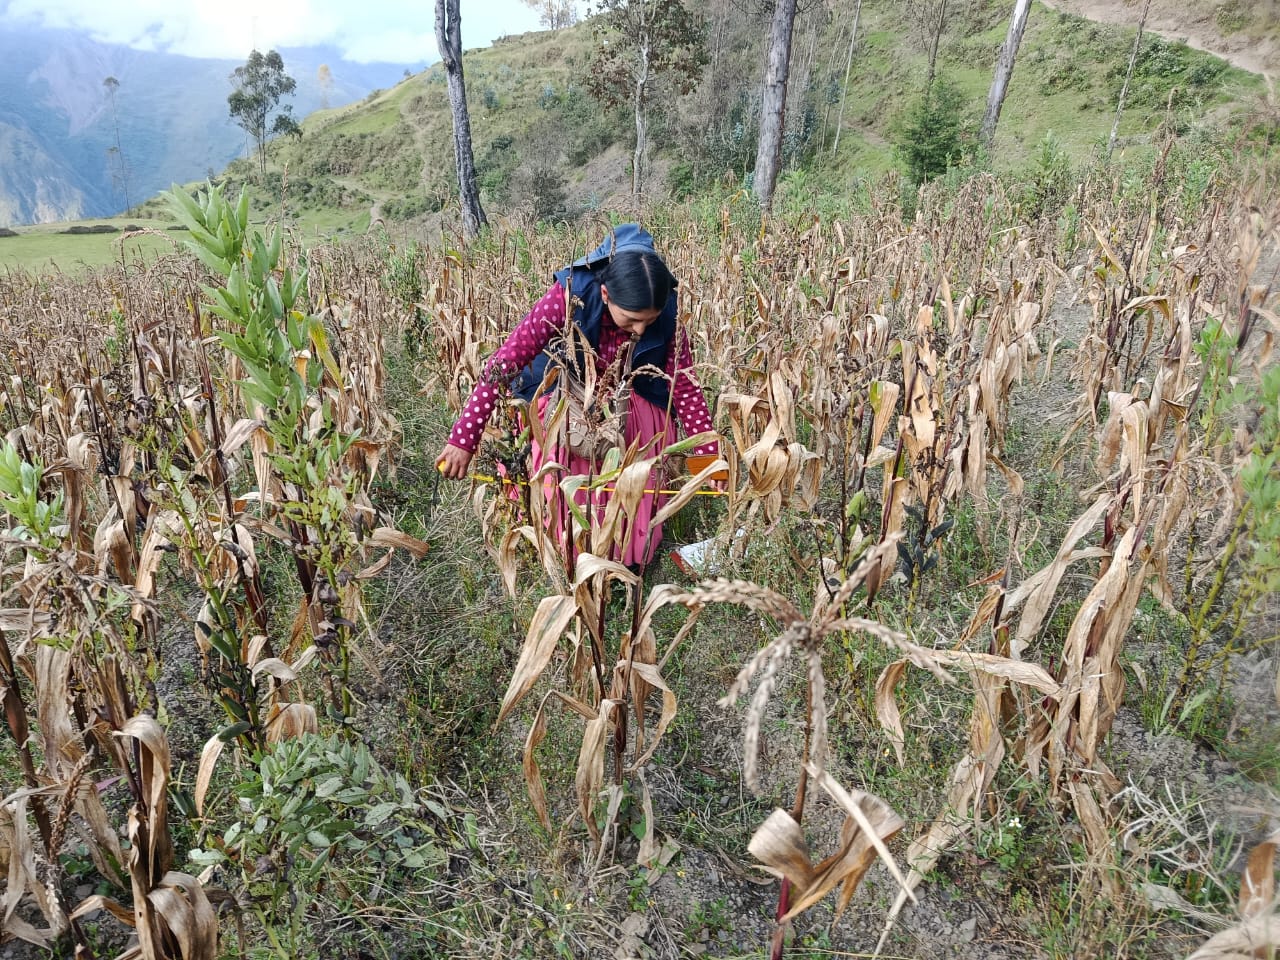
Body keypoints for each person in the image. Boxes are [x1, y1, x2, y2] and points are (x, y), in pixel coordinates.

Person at [436, 224, 721, 569]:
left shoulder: (664, 304)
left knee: (636, 471)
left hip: (635, 397)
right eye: (631, 320)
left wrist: (710, 459)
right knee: (565, 468)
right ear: (604, 296)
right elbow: (506, 361)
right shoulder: (570, 293)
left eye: (650, 321)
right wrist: (464, 438)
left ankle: (627, 561)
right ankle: (571, 558)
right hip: (568, 399)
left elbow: (684, 384)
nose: (641, 330)